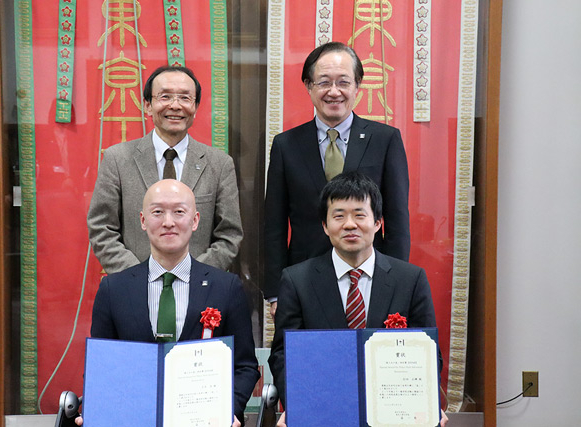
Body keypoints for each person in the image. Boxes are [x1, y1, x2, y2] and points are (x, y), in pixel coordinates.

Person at [268, 171, 445, 426]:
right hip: (323, 409)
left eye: (360, 214)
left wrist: (423, 402)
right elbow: (283, 354)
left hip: (391, 412)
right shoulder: (297, 281)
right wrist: (296, 403)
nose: (349, 224)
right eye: (338, 216)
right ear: (325, 226)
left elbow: (428, 353)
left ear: (377, 223)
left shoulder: (411, 279)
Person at [79, 180, 259, 426]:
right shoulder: (114, 290)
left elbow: (244, 367)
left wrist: (229, 411)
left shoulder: (226, 288)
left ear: (195, 221)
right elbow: (102, 367)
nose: (168, 222)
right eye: (157, 212)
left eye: (179, 212)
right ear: (142, 221)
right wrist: (95, 408)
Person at [264, 42, 410, 315]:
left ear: (358, 85)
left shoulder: (385, 139)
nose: (334, 92)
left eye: (343, 82)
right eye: (323, 82)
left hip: (367, 278)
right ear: (309, 86)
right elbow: (273, 224)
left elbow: (398, 218)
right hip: (304, 279)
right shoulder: (286, 145)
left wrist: (397, 283)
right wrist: (275, 292)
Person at [88, 65, 243, 274]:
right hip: (135, 286)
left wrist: (192, 276)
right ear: (148, 105)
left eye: (185, 98)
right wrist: (139, 276)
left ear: (195, 107)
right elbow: (101, 228)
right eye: (165, 97)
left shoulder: (219, 164)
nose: (175, 105)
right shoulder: (117, 159)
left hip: (198, 290)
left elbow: (229, 235)